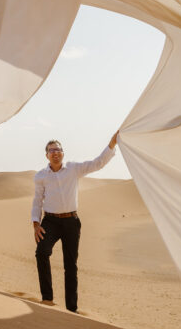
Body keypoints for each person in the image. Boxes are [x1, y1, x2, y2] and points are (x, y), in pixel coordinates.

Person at [31, 131, 119, 313]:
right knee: (41, 252)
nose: (55, 152)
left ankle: (72, 309)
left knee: (70, 265)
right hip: (50, 222)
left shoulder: (73, 169)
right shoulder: (41, 176)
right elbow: (37, 200)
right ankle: (47, 298)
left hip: (71, 221)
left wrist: (112, 144)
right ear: (46, 155)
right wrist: (36, 223)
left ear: (63, 153)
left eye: (58, 149)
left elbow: (97, 163)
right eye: (51, 150)